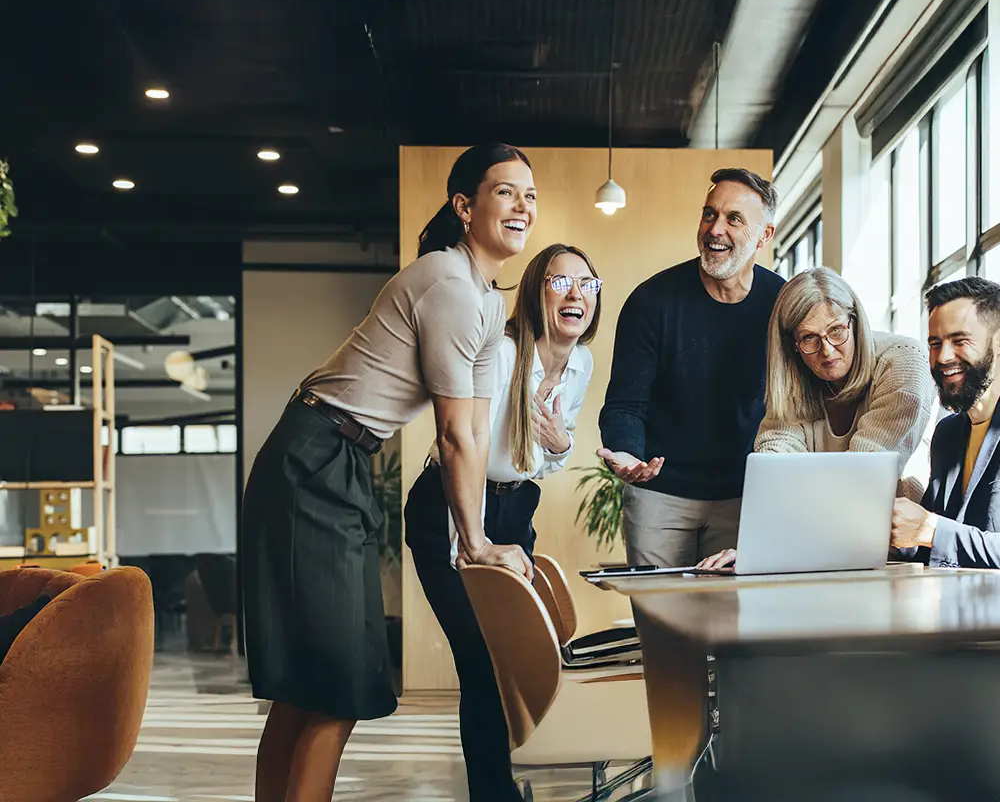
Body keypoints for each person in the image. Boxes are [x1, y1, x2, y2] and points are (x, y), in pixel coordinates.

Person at [241, 143, 536, 802]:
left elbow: (476, 432)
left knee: (313, 685)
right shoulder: (448, 284)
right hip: (314, 458)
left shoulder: (487, 303)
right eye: (506, 191)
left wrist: (476, 540)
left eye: (530, 195)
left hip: (339, 458)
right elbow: (452, 435)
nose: (523, 206)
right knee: (336, 684)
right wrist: (476, 543)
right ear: (465, 207)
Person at [405, 243, 600, 802]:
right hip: (453, 502)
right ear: (536, 292)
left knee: (514, 654)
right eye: (560, 282)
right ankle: (492, 792)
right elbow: (465, 446)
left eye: (587, 284)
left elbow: (545, 457)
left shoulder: (580, 363)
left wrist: (561, 445)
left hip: (516, 508)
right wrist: (471, 540)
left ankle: (502, 780)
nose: (576, 294)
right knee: (481, 658)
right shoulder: (504, 353)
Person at [598, 168, 783, 567]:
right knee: (660, 607)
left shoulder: (783, 304)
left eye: (734, 219)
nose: (715, 229)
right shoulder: (651, 301)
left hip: (746, 495)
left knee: (734, 608)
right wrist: (627, 453)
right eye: (709, 214)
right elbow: (626, 403)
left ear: (764, 236)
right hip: (660, 495)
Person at [699, 267, 936, 570]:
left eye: (836, 330)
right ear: (793, 346)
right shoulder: (794, 380)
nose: (827, 350)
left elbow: (862, 480)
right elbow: (777, 472)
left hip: (905, 552)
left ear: (855, 322)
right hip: (825, 546)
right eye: (809, 338)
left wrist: (774, 547)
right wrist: (758, 549)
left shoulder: (903, 362)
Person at [891, 277, 1000, 567]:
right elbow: (926, 544)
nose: (943, 357)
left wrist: (930, 530)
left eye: (960, 341)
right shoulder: (947, 432)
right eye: (935, 344)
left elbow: (935, 532)